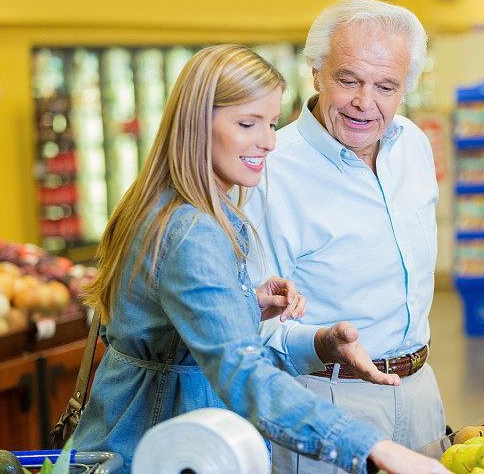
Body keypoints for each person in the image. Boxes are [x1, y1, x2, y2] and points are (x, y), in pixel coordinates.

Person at [72, 44, 448, 474]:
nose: (268, 143)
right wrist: (374, 447)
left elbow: (162, 326)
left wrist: (244, 303)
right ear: (195, 124)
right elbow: (241, 371)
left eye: (271, 123)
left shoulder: (161, 202)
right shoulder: (193, 228)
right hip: (162, 448)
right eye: (247, 123)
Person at [245, 0, 444, 474]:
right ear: (316, 73)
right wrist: (321, 343)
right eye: (348, 80)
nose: (365, 103)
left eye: (386, 87)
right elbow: (244, 319)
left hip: (420, 390)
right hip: (326, 401)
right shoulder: (270, 170)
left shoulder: (412, 144)